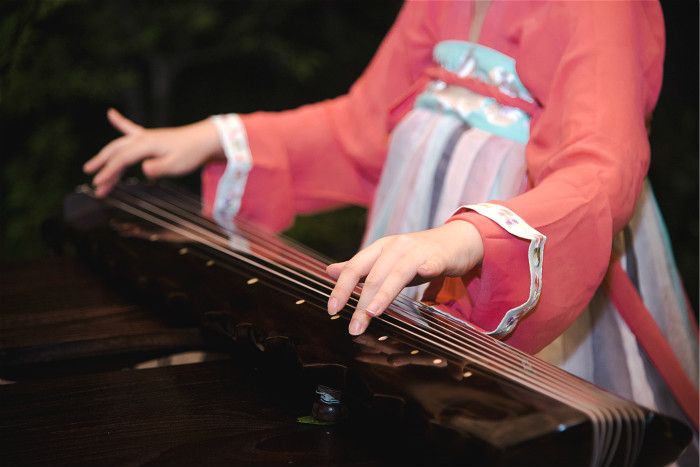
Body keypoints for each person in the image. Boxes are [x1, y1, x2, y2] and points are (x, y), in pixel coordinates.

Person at [84, 1, 698, 463]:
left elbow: (600, 171)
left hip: (527, 266)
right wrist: (222, 135)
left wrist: (468, 241)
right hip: (421, 251)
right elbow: (363, 126)